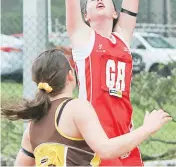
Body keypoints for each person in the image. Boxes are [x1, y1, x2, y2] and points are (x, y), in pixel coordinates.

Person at [62, 0, 147, 166]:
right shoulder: (83, 39)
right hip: (95, 141)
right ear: (86, 15)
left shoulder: (122, 38)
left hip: (125, 139)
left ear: (114, 12)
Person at [1, 49, 172, 166]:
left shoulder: (31, 127)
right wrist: (147, 128)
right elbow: (106, 150)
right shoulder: (76, 108)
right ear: (70, 76)